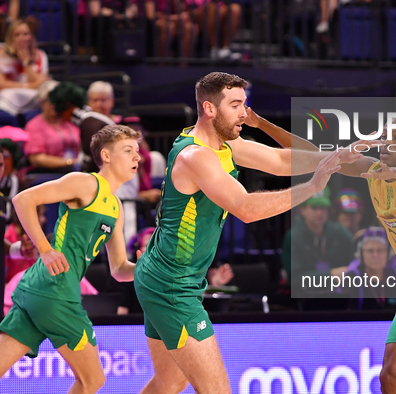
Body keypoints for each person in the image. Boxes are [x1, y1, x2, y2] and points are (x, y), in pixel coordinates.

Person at [134, 71, 348, 394]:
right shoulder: (196, 157)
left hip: (161, 275)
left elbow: (278, 160)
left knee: (170, 381)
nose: (244, 114)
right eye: (235, 105)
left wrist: (338, 158)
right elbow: (245, 209)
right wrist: (312, 187)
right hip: (171, 286)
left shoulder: (224, 144)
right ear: (209, 109)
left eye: (244, 104)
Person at [251, 113, 396, 393]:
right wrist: (261, 124)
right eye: (384, 137)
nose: (387, 143)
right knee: (389, 377)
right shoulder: (372, 171)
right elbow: (313, 155)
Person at [0, 124, 141, 393]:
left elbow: (119, 269)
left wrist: (147, 267)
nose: (137, 157)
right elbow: (23, 199)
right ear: (106, 156)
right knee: (93, 380)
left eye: (137, 151)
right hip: (55, 291)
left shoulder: (116, 206)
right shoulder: (85, 182)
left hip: (39, 290)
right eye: (128, 150)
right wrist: (44, 247)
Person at [281, 186, 355, 285]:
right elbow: (295, 280)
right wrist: (331, 275)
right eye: (314, 208)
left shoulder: (341, 232)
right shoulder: (293, 237)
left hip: (340, 294)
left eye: (323, 207)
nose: (320, 213)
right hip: (305, 297)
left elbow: (356, 265)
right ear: (302, 210)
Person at [23, 80, 82, 173]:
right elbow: (36, 158)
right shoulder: (34, 125)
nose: (54, 105)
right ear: (42, 103)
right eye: (51, 100)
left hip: (74, 170)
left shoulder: (70, 120)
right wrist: (69, 162)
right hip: (48, 174)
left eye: (58, 100)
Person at [344, 226, 396, 310]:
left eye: (380, 250)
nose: (375, 255)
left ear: (388, 253)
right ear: (361, 254)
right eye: (370, 251)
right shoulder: (351, 278)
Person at [0, 18, 48, 118]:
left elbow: (41, 84)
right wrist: (30, 86)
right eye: (17, 35)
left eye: (26, 34)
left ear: (31, 36)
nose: (22, 38)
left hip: (32, 100)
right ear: (10, 38)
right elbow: (2, 84)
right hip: (7, 99)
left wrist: (26, 62)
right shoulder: (1, 55)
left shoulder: (40, 55)